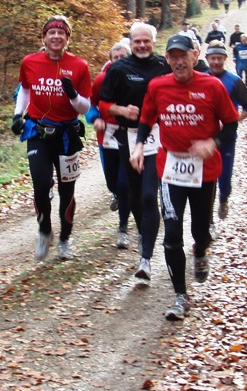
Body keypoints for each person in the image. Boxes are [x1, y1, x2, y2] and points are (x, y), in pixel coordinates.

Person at [129, 35, 238, 320]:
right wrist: (140, 145)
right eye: (173, 57)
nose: (178, 62)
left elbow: (230, 125)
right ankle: (181, 296)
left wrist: (212, 143)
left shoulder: (212, 86)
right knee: (172, 234)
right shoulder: (158, 86)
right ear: (167, 60)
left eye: (183, 56)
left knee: (199, 232)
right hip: (171, 168)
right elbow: (146, 119)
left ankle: (201, 250)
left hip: (205, 170)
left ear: (194, 55)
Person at [12, 15, 92, 261]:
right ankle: (45, 230)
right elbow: (25, 89)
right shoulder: (30, 62)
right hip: (38, 131)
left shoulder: (79, 66)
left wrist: (73, 95)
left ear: (67, 38)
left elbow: (85, 108)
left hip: (67, 135)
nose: (56, 37)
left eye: (61, 33)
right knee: (40, 186)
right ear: (44, 37)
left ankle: (65, 240)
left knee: (67, 191)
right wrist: (18, 115)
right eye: (51, 33)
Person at [98, 21, 170, 283]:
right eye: (137, 41)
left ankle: (146, 260)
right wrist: (122, 111)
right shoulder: (118, 69)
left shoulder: (164, 66)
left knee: (151, 195)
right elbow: (103, 105)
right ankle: (144, 232)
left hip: (158, 136)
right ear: (131, 42)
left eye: (146, 41)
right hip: (127, 137)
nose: (141, 45)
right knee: (136, 195)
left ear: (153, 42)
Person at [87, 41, 132, 248]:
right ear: (111, 60)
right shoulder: (101, 79)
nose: (120, 61)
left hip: (129, 137)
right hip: (107, 138)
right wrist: (95, 118)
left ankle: (123, 228)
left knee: (125, 184)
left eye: (124, 57)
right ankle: (116, 193)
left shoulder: (136, 78)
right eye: (116, 58)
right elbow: (92, 104)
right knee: (113, 183)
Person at [204, 42, 247, 221]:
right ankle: (207, 218)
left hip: (227, 138)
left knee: (224, 176)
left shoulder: (234, 81)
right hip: (205, 137)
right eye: (213, 58)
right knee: (206, 180)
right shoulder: (200, 79)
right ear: (207, 59)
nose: (216, 62)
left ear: (225, 59)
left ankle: (224, 199)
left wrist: (231, 120)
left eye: (219, 58)